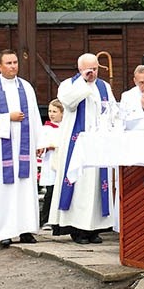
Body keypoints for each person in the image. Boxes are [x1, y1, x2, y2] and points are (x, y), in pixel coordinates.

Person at [49, 53, 117, 244]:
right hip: (77, 144)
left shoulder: (104, 86)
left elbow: (111, 108)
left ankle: (94, 229)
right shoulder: (69, 85)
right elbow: (69, 104)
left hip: (97, 143)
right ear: (79, 69)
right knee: (79, 186)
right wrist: (84, 84)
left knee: (96, 186)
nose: (92, 72)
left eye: (95, 68)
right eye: (88, 69)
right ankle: (77, 229)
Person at [0, 49, 43, 247]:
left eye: (15, 62)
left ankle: (25, 230)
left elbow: (35, 116)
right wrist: (8, 118)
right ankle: (3, 231)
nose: (13, 66)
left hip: (24, 148)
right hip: (1, 150)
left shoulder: (26, 87)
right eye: (9, 63)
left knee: (24, 189)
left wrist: (40, 142)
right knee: (3, 190)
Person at [38, 98, 64, 230]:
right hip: (50, 162)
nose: (51, 114)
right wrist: (47, 146)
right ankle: (46, 219)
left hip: (62, 162)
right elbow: (40, 145)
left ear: (62, 113)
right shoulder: (46, 128)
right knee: (50, 192)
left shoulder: (66, 128)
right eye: (50, 111)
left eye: (55, 111)